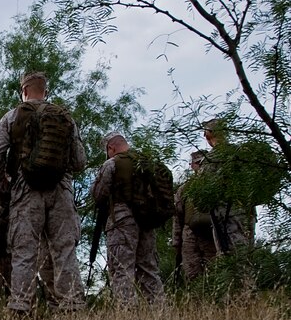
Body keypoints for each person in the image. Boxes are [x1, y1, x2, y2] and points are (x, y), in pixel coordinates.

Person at [0, 72, 86, 315]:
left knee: (24, 252)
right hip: (61, 190)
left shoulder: (12, 116)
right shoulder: (64, 117)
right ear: (46, 91)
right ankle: (72, 308)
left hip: (25, 190)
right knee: (64, 251)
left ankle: (21, 308)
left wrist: (2, 196)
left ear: (24, 90)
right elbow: (80, 161)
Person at [91, 132, 165, 305]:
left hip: (121, 222)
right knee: (149, 270)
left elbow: (98, 194)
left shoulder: (112, 164)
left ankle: (127, 315)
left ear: (111, 147)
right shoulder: (147, 163)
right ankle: (161, 314)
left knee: (122, 269)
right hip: (147, 221)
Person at [201, 118, 255, 253]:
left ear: (209, 133)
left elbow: (204, 190)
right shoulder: (241, 152)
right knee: (246, 252)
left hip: (226, 213)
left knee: (232, 255)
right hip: (247, 210)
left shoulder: (212, 158)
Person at [172, 151, 216, 281]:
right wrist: (176, 242)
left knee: (214, 270)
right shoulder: (185, 188)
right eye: (196, 163)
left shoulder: (216, 185)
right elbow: (177, 216)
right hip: (190, 234)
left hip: (211, 233)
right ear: (192, 166)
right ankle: (196, 299)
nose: (199, 166)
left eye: (201, 163)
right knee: (191, 272)